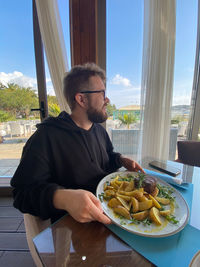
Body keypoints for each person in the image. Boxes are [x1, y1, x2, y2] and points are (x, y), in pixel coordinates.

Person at [10, 63, 144, 224]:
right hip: (73, 229)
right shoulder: (46, 136)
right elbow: (21, 194)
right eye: (102, 93)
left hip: (113, 212)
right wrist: (63, 198)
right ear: (81, 99)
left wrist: (121, 159)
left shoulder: (99, 130)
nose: (107, 99)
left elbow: (107, 157)